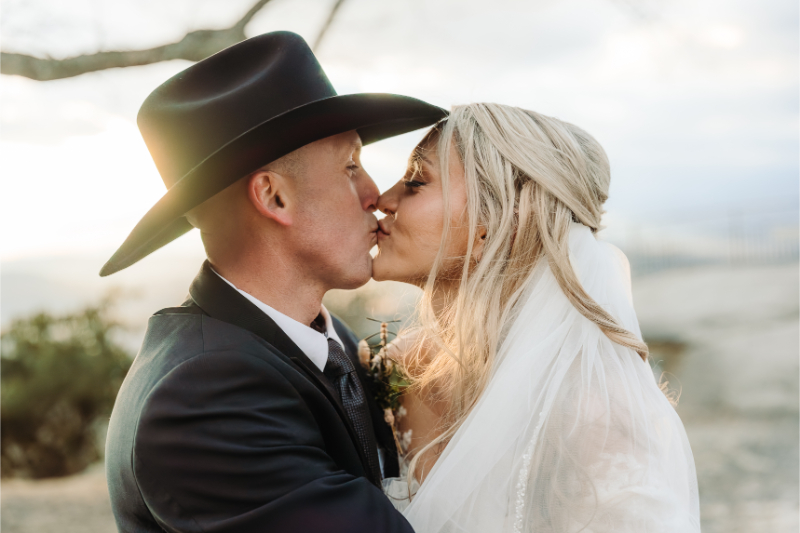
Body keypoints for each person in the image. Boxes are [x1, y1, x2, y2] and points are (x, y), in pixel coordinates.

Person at [102, 31, 446, 532]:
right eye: (350, 166)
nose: (375, 193)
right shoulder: (203, 400)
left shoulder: (326, 340)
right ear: (273, 197)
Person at [373, 103, 701, 532]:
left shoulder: (592, 418)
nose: (383, 200)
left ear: (490, 227)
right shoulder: (398, 367)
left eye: (416, 182)